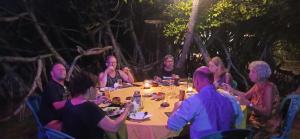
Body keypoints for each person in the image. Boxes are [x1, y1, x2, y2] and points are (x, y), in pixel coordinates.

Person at [167, 66, 235, 139]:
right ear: (212, 81)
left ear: (197, 82)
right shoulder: (229, 99)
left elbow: (172, 125)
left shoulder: (194, 101)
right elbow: (239, 124)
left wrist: (176, 107)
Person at [62, 71, 133, 139]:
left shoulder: (69, 103)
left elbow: (82, 111)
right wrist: (127, 109)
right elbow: (113, 127)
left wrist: (96, 102)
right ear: (90, 89)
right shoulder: (90, 107)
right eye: (96, 88)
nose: (97, 91)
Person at [222, 61, 281, 138]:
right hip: (257, 117)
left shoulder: (268, 88)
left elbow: (267, 113)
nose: (249, 74)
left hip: (267, 124)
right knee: (234, 121)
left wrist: (249, 104)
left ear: (260, 74)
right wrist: (231, 90)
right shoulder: (258, 84)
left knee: (235, 125)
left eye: (253, 72)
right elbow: (246, 96)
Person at [39, 63, 70, 130]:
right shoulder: (51, 87)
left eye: (64, 69)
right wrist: (75, 100)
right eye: (59, 69)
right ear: (52, 73)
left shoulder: (65, 85)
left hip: (64, 117)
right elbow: (57, 105)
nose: (62, 71)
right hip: (53, 122)